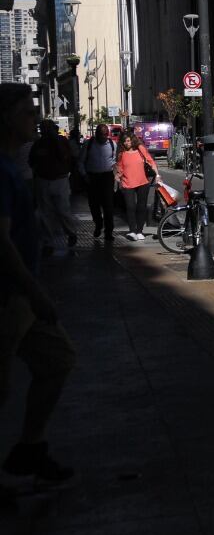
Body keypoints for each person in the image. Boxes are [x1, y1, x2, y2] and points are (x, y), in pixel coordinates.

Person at [0, 83, 76, 490]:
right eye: (28, 113)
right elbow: (2, 242)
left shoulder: (13, 165)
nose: (36, 119)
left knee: (58, 359)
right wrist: (33, 291)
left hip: (23, 297)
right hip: (10, 297)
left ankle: (31, 447)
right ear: (6, 119)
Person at [28, 120, 77, 259]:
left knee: (63, 210)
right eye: (44, 129)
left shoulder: (61, 141)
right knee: (45, 213)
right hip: (43, 180)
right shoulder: (38, 143)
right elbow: (31, 160)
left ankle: (71, 232)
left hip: (59, 180)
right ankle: (48, 242)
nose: (45, 131)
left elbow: (66, 156)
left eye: (47, 129)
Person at [114, 134, 155, 242]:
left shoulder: (140, 149)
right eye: (124, 141)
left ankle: (140, 231)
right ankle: (132, 230)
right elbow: (120, 168)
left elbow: (150, 161)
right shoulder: (121, 154)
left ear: (132, 141)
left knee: (141, 207)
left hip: (143, 182)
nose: (126, 143)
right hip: (127, 183)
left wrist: (158, 175)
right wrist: (117, 176)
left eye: (128, 141)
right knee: (130, 207)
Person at [80, 123, 117, 241]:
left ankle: (108, 232)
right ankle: (98, 223)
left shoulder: (112, 144)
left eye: (106, 134)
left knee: (109, 206)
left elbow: (115, 161)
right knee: (94, 205)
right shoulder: (88, 144)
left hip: (107, 177)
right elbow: (80, 161)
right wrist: (84, 175)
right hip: (92, 177)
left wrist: (116, 176)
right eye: (102, 134)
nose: (104, 136)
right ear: (96, 134)